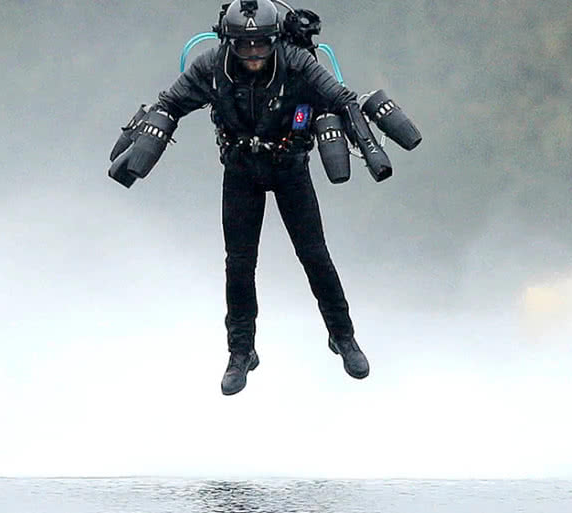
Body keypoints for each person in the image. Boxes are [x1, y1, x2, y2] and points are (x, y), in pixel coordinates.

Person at [108, 0, 412, 395]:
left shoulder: (297, 63)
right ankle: (240, 352)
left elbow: (342, 98)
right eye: (245, 47)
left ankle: (343, 336)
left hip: (290, 169)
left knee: (315, 255)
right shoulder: (210, 67)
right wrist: (144, 140)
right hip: (240, 171)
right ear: (229, 43)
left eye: (261, 46)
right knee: (239, 265)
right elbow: (170, 103)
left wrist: (371, 149)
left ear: (274, 41)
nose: (253, 55)